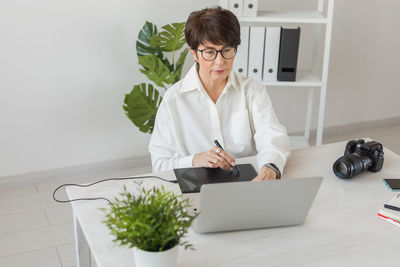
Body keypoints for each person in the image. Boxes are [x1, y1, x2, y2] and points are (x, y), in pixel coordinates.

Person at [148, 7, 290, 181]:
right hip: (196, 186)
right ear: (194, 53)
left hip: (249, 183)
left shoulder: (252, 90)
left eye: (227, 51)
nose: (220, 61)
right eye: (209, 52)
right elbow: (160, 163)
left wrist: (270, 168)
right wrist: (195, 159)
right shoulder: (174, 100)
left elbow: (272, 138)